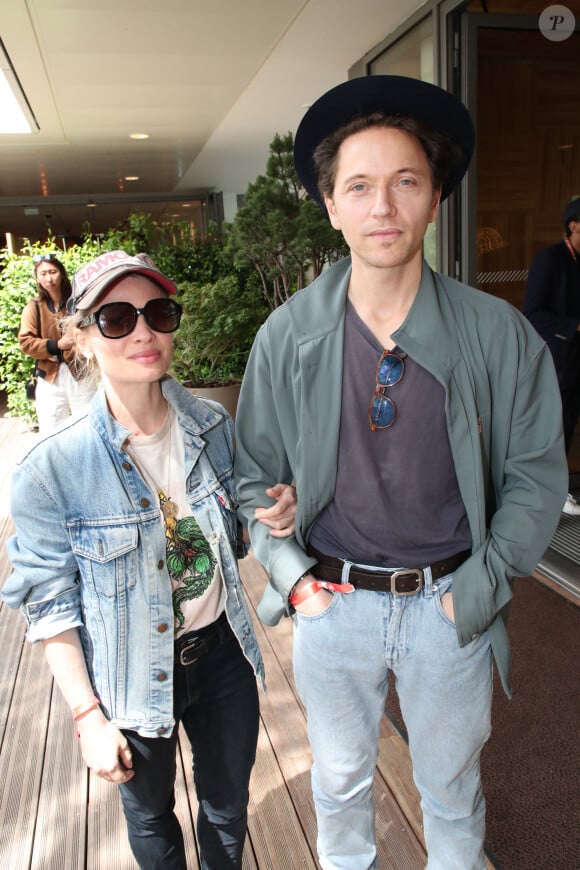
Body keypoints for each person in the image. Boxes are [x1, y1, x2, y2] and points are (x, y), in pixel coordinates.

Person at [233, 76, 568, 870]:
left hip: (448, 603)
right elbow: (252, 475)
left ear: (436, 199)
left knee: (451, 792)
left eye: (405, 182)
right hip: (333, 602)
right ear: (331, 205)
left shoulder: (498, 334)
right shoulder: (289, 336)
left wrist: (479, 589)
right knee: (341, 780)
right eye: (360, 186)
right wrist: (292, 572)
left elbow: (534, 475)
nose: (382, 206)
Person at [3, 250, 298, 870]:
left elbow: (242, 529)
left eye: (158, 313)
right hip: (129, 672)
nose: (143, 331)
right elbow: (50, 605)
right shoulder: (51, 470)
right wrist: (87, 716)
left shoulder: (214, 426)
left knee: (227, 809)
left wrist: (275, 510)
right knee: (152, 819)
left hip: (222, 656)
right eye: (116, 317)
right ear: (79, 335)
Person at [523, 197, 580, 516]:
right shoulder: (550, 260)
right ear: (573, 225)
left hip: (576, 355)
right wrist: (574, 326)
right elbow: (532, 312)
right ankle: (552, 494)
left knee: (569, 424)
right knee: (556, 424)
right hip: (559, 357)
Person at [18, 253, 95, 434]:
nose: (49, 278)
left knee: (88, 425)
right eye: (43, 273)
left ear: (61, 273)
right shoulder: (34, 307)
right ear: (37, 278)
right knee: (51, 429)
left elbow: (94, 330)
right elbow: (26, 342)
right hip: (49, 376)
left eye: (52, 271)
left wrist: (79, 340)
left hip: (81, 371)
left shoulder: (79, 303)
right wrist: (56, 345)